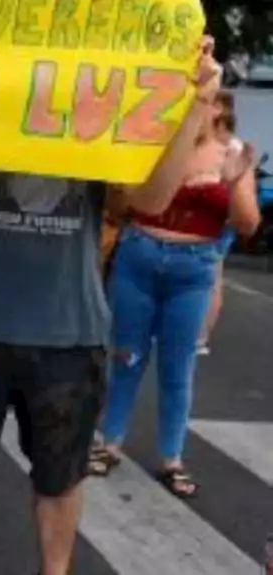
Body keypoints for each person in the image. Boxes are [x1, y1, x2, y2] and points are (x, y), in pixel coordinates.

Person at [0, 19, 224, 575]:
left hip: (69, 331)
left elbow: (151, 198)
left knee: (60, 475)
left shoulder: (99, 118)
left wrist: (193, 104)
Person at [89, 88, 259, 497]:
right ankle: (108, 441)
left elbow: (249, 223)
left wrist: (234, 182)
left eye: (200, 102)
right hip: (140, 255)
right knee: (126, 355)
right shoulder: (157, 143)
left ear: (217, 109)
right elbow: (124, 202)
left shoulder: (231, 153)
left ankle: (172, 457)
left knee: (177, 366)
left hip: (193, 267)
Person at [197, 90, 242, 355]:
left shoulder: (226, 146)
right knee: (211, 276)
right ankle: (199, 336)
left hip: (219, 217)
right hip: (220, 216)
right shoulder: (229, 144)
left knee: (211, 276)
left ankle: (200, 336)